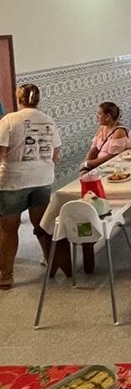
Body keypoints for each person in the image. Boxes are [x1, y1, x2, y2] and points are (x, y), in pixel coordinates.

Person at [0, 84, 61, 290]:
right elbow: (55, 153)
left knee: (8, 229)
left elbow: (1, 151)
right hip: (42, 179)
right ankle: (51, 262)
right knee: (41, 224)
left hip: (13, 181)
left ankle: (6, 276)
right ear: (38, 99)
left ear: (19, 99)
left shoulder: (9, 120)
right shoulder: (48, 120)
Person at [80, 102, 131, 172]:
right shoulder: (102, 128)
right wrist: (86, 164)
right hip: (101, 167)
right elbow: (94, 149)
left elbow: (111, 157)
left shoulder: (119, 131)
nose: (97, 117)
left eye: (99, 114)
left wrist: (89, 164)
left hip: (117, 168)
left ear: (108, 116)